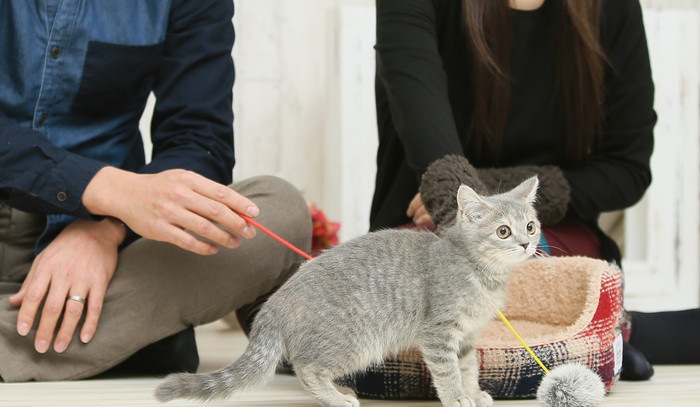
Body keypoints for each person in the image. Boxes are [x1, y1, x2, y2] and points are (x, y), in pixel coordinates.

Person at [371, 0, 698, 379]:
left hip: (552, 237)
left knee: (521, 262)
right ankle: (599, 338)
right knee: (414, 301)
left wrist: (495, 196)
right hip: (431, 232)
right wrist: (469, 206)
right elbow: (440, 164)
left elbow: (627, 169)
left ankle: (586, 335)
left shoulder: (612, 7)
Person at [0, 0, 311, 382]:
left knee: (278, 211)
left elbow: (200, 139)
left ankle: (47, 337)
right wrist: (100, 189)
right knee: (157, 343)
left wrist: (107, 225)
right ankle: (119, 342)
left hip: (115, 253)